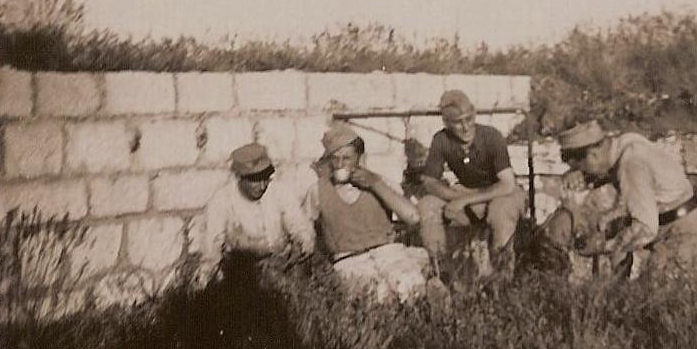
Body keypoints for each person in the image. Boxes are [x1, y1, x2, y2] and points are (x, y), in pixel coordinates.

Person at [542, 120, 697, 280]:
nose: (585, 174)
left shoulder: (630, 165)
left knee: (662, 302)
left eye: (582, 168)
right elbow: (609, 174)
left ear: (593, 155)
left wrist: (604, 246)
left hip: (684, 234)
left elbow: (646, 228)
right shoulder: (625, 144)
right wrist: (583, 178)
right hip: (687, 221)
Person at [309, 122, 431, 302]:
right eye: (335, 159)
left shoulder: (379, 182)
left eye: (347, 158)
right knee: (374, 294)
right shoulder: (318, 190)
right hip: (349, 260)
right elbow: (306, 231)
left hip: (388, 253)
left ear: (360, 158)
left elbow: (412, 217)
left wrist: (375, 184)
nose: (340, 165)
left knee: (408, 282)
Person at [417, 89, 526, 275]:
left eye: (469, 119)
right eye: (458, 123)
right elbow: (429, 182)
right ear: (446, 122)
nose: (466, 127)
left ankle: (502, 276)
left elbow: (507, 183)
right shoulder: (441, 140)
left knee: (500, 213)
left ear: (474, 113)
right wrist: (454, 196)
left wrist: (465, 200)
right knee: (427, 205)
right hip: (467, 193)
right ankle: (440, 272)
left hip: (500, 192)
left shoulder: (491, 136)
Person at [196, 143, 316, 286]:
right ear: (240, 177)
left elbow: (300, 226)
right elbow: (212, 248)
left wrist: (302, 243)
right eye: (255, 180)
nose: (262, 185)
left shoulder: (280, 192)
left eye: (265, 178)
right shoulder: (222, 201)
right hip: (240, 274)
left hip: (281, 268)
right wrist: (205, 280)